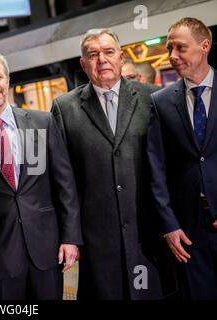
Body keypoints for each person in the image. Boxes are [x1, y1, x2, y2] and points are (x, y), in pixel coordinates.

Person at [0, 50, 82, 300]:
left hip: (47, 250)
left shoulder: (44, 123)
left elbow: (65, 184)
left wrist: (70, 237)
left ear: (7, 80)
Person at [52, 28, 167, 299]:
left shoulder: (154, 99)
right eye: (93, 54)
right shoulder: (65, 108)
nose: (101, 59)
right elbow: (63, 178)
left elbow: (167, 166)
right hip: (97, 238)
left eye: (108, 52)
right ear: (83, 64)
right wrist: (70, 235)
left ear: (121, 57)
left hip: (148, 232)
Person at [147, 17, 217, 299]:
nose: (172, 56)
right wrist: (170, 226)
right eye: (169, 48)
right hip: (188, 235)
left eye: (180, 48)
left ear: (204, 46)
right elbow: (156, 168)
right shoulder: (161, 102)